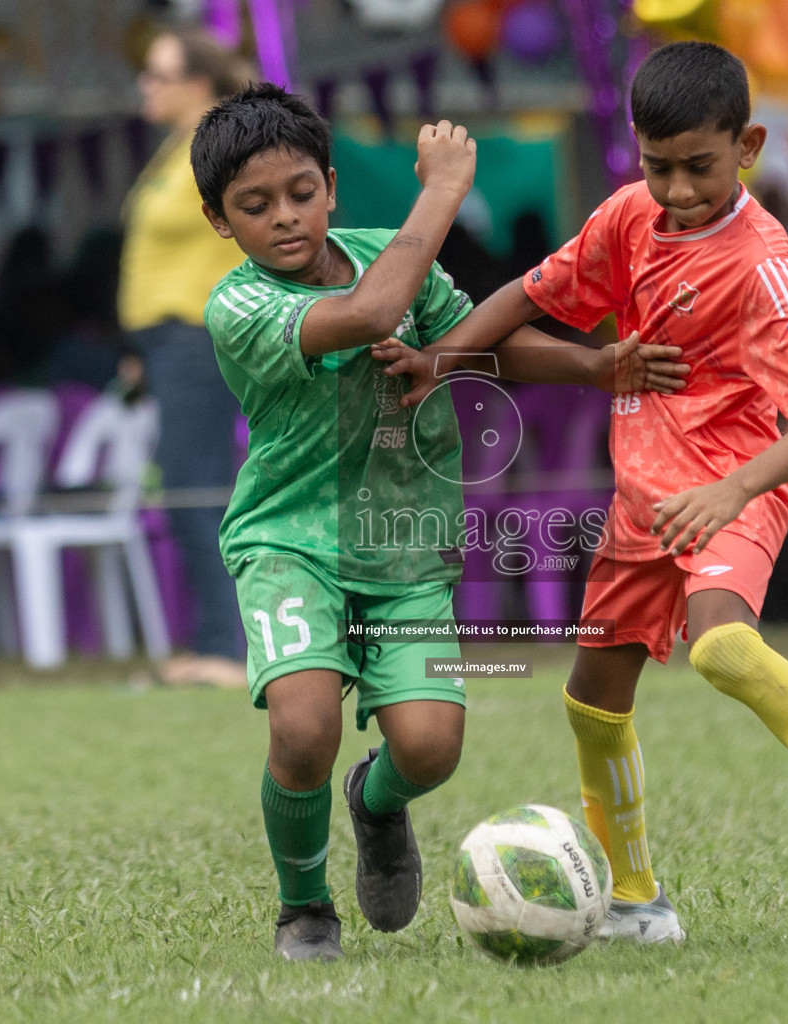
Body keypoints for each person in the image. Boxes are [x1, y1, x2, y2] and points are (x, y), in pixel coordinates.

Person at [379, 42, 788, 943]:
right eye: (660, 168)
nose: (680, 189)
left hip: (731, 487)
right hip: (641, 504)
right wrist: (439, 361)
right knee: (590, 703)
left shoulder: (760, 261)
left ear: (748, 145)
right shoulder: (625, 218)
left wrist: (735, 488)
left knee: (723, 648)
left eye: (699, 166)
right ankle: (636, 904)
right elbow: (525, 296)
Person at [191, 85, 683, 961]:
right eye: (254, 207)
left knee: (429, 750)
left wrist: (593, 365)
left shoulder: (390, 256)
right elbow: (371, 314)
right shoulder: (237, 307)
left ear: (332, 185)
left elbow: (473, 343)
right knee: (301, 728)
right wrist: (444, 190)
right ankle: (303, 908)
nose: (285, 219)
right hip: (287, 542)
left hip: (404, 548)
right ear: (218, 220)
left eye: (300, 193)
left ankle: (375, 806)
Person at [120, 28, 253, 687]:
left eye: (158, 74)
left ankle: (224, 649)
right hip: (166, 345)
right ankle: (215, 642)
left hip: (200, 338)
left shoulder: (221, 148)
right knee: (186, 488)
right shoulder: (177, 150)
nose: (146, 85)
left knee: (194, 488)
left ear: (197, 84)